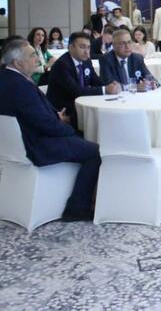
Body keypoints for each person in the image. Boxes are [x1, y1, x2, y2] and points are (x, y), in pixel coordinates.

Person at [0, 38, 101, 221]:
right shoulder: (21, 86)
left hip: (14, 145)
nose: (37, 59)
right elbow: (45, 125)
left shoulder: (6, 79)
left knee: (81, 140)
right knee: (94, 151)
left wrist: (54, 117)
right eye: (32, 55)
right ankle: (77, 208)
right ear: (17, 62)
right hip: (36, 145)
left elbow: (31, 115)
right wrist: (69, 129)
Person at [47, 32, 120, 129]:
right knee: (102, 117)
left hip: (80, 105)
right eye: (82, 47)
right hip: (64, 111)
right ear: (71, 47)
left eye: (88, 47)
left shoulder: (86, 61)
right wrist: (105, 89)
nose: (86, 51)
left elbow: (96, 81)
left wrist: (110, 84)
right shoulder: (62, 65)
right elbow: (77, 91)